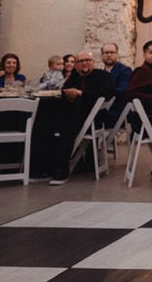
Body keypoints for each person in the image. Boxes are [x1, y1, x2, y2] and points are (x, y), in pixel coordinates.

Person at [40, 51, 115, 185]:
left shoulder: (102, 76)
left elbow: (106, 93)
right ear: (76, 65)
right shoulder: (74, 77)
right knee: (44, 124)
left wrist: (82, 94)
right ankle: (44, 168)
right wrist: (69, 96)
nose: (84, 63)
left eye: (87, 60)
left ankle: (61, 172)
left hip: (92, 117)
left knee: (65, 130)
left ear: (93, 62)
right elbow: (64, 93)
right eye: (80, 61)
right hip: (73, 112)